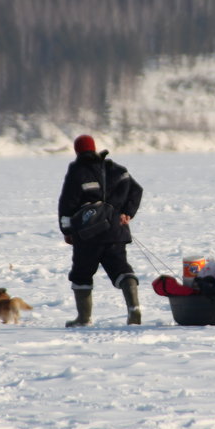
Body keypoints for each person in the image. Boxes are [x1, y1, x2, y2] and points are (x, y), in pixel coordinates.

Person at [58, 135, 144, 327]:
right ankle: (134, 310)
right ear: (95, 148)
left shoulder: (77, 171)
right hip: (116, 229)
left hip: (88, 234)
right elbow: (136, 190)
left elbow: (67, 203)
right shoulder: (116, 169)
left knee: (81, 274)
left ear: (77, 151)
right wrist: (127, 213)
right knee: (121, 270)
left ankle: (83, 319)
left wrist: (67, 229)